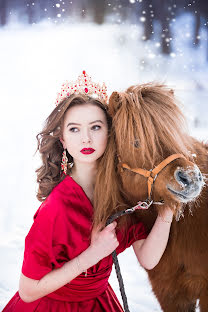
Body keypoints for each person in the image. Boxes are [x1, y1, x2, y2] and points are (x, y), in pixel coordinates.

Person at [2, 71, 173, 312]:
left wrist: (168, 211)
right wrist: (91, 256)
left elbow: (148, 258)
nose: (86, 139)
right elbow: (28, 291)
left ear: (109, 132)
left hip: (100, 302)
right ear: (62, 138)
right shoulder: (56, 208)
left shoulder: (119, 194)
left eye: (95, 127)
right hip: (54, 306)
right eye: (74, 129)